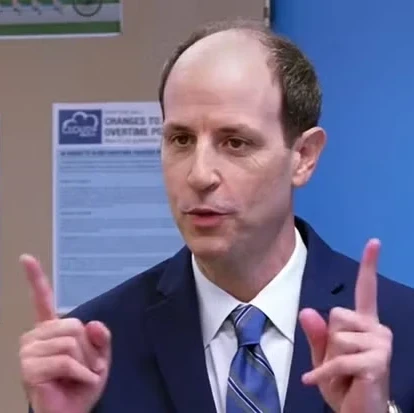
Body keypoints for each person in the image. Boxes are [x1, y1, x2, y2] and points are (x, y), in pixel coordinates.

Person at [19, 18, 414, 413]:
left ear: (303, 157)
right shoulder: (96, 349)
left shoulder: (402, 330)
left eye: (235, 142)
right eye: (180, 139)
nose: (199, 175)